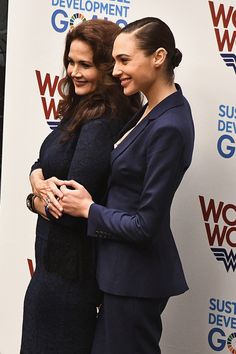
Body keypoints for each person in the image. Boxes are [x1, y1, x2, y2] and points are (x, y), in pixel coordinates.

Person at [56, 17, 195, 354]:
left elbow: (145, 224)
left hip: (136, 280)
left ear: (158, 57)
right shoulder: (151, 108)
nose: (115, 70)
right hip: (119, 275)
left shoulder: (170, 126)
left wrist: (88, 209)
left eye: (124, 60)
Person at [20, 19, 142, 354]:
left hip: (68, 282)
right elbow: (44, 161)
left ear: (107, 68)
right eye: (70, 62)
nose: (74, 72)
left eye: (85, 64)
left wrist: (34, 199)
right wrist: (37, 179)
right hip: (53, 275)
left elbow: (70, 210)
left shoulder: (101, 121)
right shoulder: (82, 109)